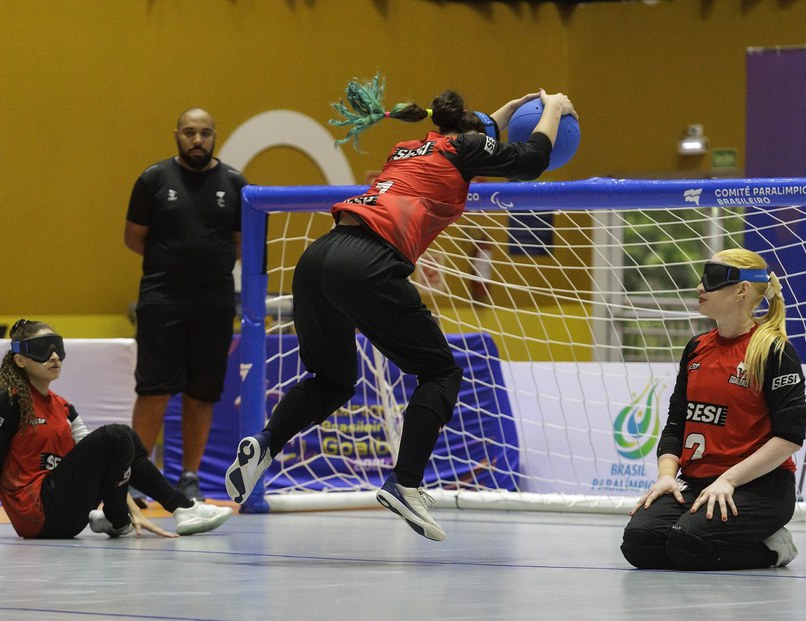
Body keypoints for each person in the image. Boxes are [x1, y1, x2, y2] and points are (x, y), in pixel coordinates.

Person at [225, 74, 576, 541]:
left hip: (319, 257)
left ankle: (266, 443)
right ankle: (405, 482)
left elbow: (472, 137)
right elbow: (532, 161)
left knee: (331, 380)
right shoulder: (463, 149)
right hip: (367, 262)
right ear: (472, 135)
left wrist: (504, 114)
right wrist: (553, 108)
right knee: (441, 372)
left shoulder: (409, 147)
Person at [0, 319, 232, 540]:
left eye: (57, 347)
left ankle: (164, 511)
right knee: (117, 435)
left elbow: (112, 461)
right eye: (43, 349)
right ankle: (161, 511)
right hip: (36, 514)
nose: (54, 356)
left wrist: (129, 509)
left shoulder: (64, 407)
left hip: (70, 517)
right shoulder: (4, 402)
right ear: (19, 359)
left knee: (125, 441)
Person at [621, 249, 806, 570]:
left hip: (760, 488)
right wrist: (667, 477)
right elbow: (676, 423)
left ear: (742, 290)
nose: (700, 287)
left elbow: (789, 437)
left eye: (712, 278)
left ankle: (775, 546)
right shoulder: (697, 347)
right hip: (697, 482)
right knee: (640, 544)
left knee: (688, 544)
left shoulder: (773, 350)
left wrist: (730, 480)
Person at [124, 108, 246, 501]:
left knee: (202, 394)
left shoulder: (234, 183)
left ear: (215, 136)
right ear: (176, 134)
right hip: (162, 300)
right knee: (154, 390)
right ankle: (139, 474)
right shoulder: (153, 179)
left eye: (205, 133)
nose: (198, 140)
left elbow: (242, 245)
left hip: (214, 302)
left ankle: (189, 476)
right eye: (190, 132)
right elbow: (133, 238)